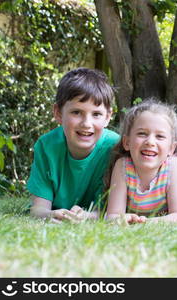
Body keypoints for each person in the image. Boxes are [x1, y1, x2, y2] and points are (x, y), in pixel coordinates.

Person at [28, 68, 119, 223]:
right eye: (76, 112)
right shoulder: (46, 146)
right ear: (58, 113)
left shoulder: (115, 148)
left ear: (108, 117)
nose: (86, 124)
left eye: (96, 114)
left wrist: (87, 216)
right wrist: (49, 214)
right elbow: (38, 209)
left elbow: (113, 212)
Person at [105, 99, 177, 224]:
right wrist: (123, 219)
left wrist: (148, 223)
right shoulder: (123, 166)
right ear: (127, 142)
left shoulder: (172, 167)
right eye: (142, 134)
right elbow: (113, 215)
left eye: (159, 136)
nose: (150, 142)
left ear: (171, 148)